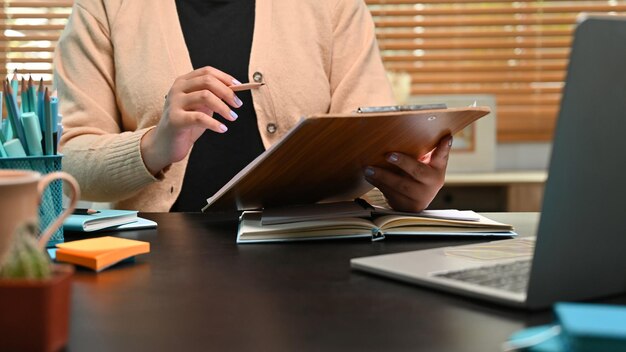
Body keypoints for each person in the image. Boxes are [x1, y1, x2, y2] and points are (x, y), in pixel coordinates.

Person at [54, 0, 452, 212]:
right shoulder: (103, 7)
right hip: (154, 260)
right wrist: (155, 147)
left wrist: (400, 193)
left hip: (316, 260)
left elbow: (371, 145)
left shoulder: (335, 6)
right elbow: (68, 166)